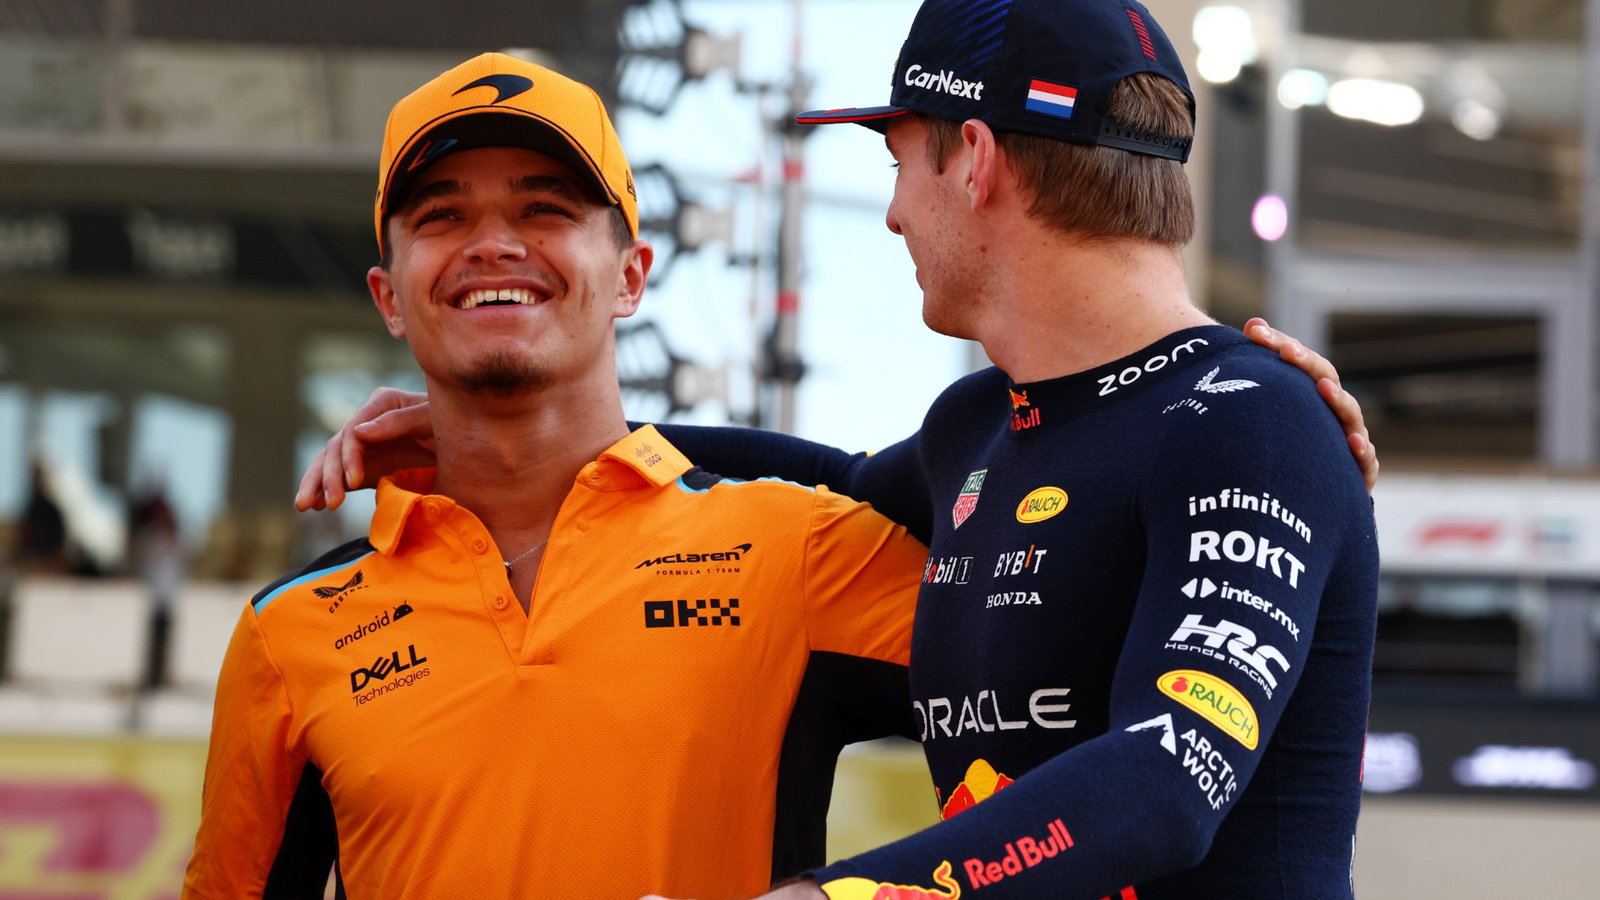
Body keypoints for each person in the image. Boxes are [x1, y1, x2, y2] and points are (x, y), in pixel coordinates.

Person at [303, 2, 1381, 898]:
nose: (891, 215)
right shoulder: (980, 430)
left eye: (897, 157)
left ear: (975, 159)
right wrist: (502, 434)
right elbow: (819, 483)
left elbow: (1170, 782)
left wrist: (836, 898)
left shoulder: (1253, 419)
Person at [183, 52, 930, 899]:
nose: (494, 244)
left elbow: (1076, 721)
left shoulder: (800, 549)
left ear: (631, 276)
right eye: (441, 215)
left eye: (544, 208)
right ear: (390, 298)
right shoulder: (289, 633)